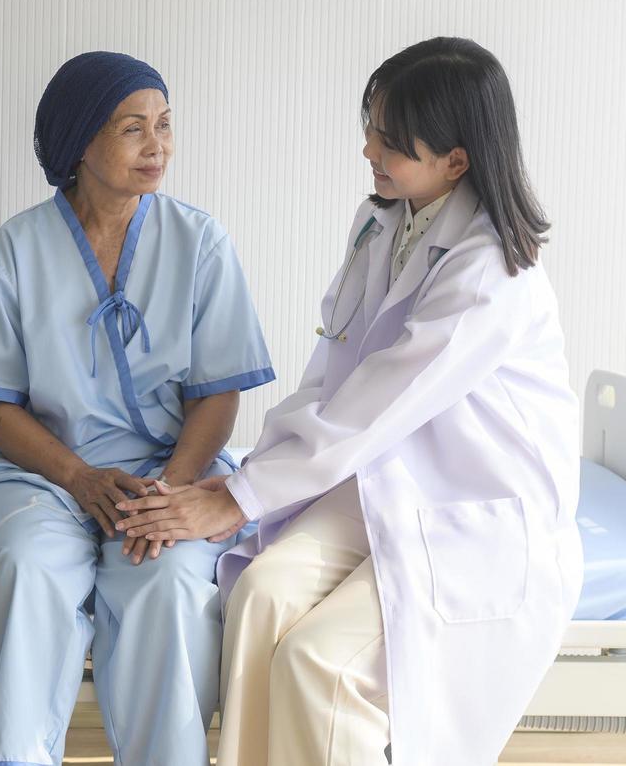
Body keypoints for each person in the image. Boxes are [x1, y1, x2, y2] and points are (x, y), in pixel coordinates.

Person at [117, 37, 583, 765]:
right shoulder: (382, 224)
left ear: (454, 161)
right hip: (387, 479)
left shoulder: (490, 270)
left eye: (389, 140)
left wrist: (239, 498)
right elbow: (331, 381)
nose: (366, 147)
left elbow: (376, 405)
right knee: (261, 595)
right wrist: (243, 484)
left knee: (319, 668)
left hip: (473, 508)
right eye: (370, 124)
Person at [0, 51, 275, 766]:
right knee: (23, 570)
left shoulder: (199, 241)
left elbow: (218, 391)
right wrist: (79, 479)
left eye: (163, 124)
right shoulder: (18, 248)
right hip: (40, 473)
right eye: (132, 128)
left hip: (171, 470)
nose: (157, 146)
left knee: (172, 582)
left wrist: (173, 490)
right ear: (78, 141)